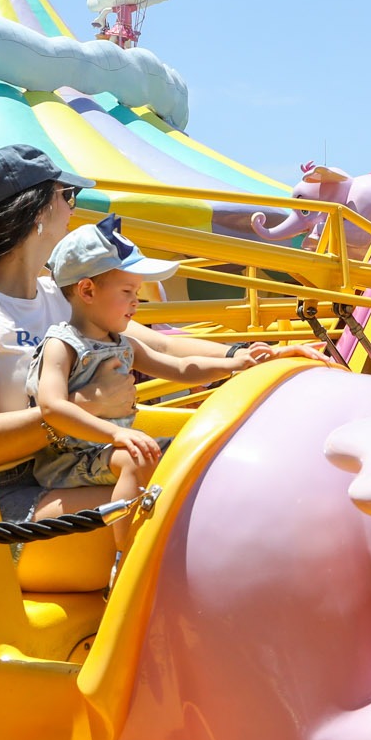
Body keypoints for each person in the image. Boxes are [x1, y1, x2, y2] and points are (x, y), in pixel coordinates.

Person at [0, 144, 310, 519]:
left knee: (217, 476)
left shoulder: (59, 295)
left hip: (75, 465)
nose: (73, 207)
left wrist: (248, 357)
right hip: (1, 496)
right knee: (188, 501)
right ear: (35, 211)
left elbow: (159, 345)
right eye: (66, 195)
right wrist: (86, 404)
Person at [27, 219, 272, 564]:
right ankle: (128, 557)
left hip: (107, 451)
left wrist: (235, 362)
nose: (136, 301)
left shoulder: (124, 344)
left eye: (136, 292)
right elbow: (52, 407)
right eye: (127, 292)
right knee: (136, 457)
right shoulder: (62, 344)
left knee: (186, 453)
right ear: (86, 291)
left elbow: (180, 368)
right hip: (68, 460)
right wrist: (116, 435)